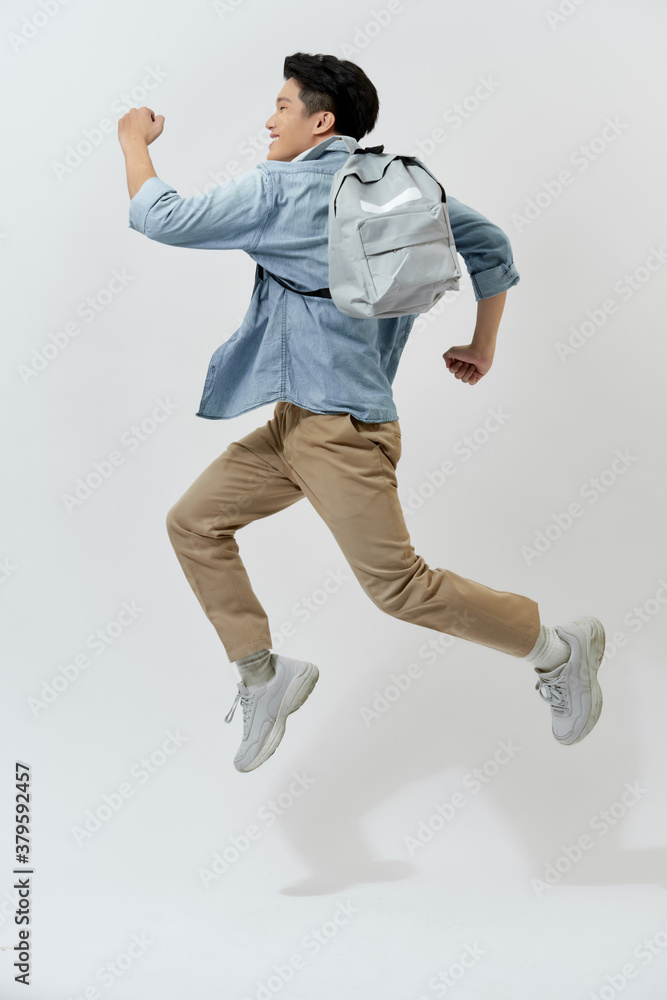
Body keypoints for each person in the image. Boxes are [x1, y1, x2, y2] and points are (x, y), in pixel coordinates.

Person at [117, 51, 606, 773]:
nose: (268, 119)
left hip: (337, 436)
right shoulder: (401, 185)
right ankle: (263, 673)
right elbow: (491, 246)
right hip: (300, 425)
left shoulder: (278, 189)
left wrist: (133, 140)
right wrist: (482, 344)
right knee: (193, 521)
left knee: (400, 588)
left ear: (321, 120)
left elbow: (161, 217)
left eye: (281, 106)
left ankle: (559, 648)